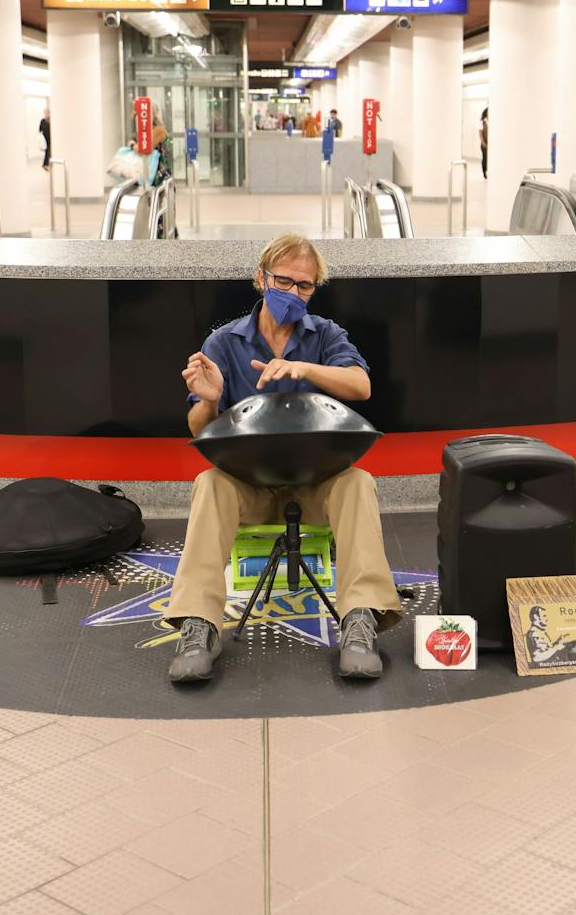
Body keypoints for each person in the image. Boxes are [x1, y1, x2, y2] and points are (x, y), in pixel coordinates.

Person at [166, 234, 403, 683]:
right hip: (248, 485)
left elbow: (361, 386)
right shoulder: (224, 343)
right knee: (209, 483)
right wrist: (210, 401)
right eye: (284, 281)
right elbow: (199, 432)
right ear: (261, 278)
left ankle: (359, 622)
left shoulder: (326, 335)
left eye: (305, 286)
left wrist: (305, 369)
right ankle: (199, 625)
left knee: (358, 481)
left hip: (315, 483)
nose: (294, 293)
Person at [479, 107, 489, 179]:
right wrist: (483, 143)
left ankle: (488, 171)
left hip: (489, 144)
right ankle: (484, 172)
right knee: (485, 158)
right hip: (484, 144)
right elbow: (480, 133)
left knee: (488, 158)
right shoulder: (482, 122)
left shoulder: (489, 121)